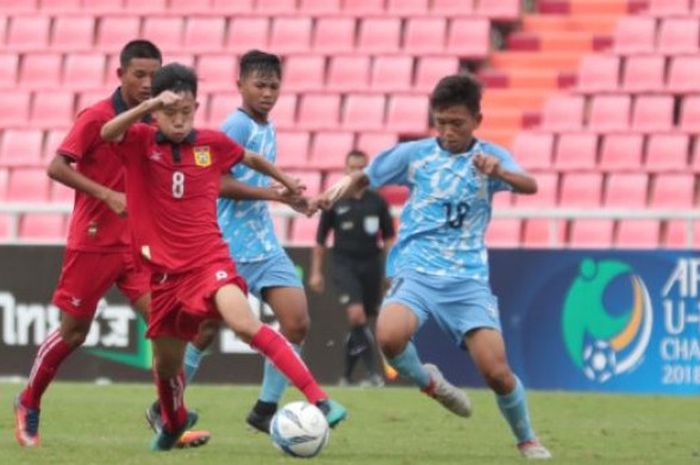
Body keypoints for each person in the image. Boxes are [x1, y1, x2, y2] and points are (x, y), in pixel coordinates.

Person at [100, 63, 347, 451]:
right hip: (165, 276)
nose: (179, 121)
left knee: (246, 323)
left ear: (197, 106)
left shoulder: (211, 143)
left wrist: (286, 185)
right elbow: (107, 132)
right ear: (155, 112)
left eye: (186, 111)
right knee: (165, 368)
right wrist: (145, 109)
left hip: (210, 262)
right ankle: (172, 420)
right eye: (170, 112)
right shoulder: (140, 143)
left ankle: (320, 398)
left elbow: (250, 159)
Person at [315, 74, 552, 459]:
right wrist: (332, 192)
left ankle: (527, 438)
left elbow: (529, 185)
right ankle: (431, 383)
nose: (447, 131)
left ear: (477, 119)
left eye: (456, 123)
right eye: (440, 122)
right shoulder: (416, 155)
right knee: (389, 337)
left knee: (495, 372)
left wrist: (499, 173)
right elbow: (365, 176)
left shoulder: (490, 157)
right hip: (417, 272)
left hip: (467, 281)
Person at [12, 40, 207, 449]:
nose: (147, 82)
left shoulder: (158, 122)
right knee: (73, 333)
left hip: (141, 248)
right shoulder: (97, 117)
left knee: (168, 332)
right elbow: (56, 167)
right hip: (95, 241)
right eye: (139, 74)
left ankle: (170, 420)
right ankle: (28, 401)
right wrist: (106, 194)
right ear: (120, 75)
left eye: (154, 75)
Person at [309, 149, 395, 387]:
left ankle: (346, 377)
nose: (357, 172)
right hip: (344, 264)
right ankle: (372, 374)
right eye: (352, 168)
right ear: (345, 170)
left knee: (361, 323)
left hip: (371, 265)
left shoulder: (377, 201)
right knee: (356, 316)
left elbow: (388, 238)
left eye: (361, 168)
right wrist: (316, 272)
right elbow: (320, 240)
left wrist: (390, 269)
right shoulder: (336, 202)